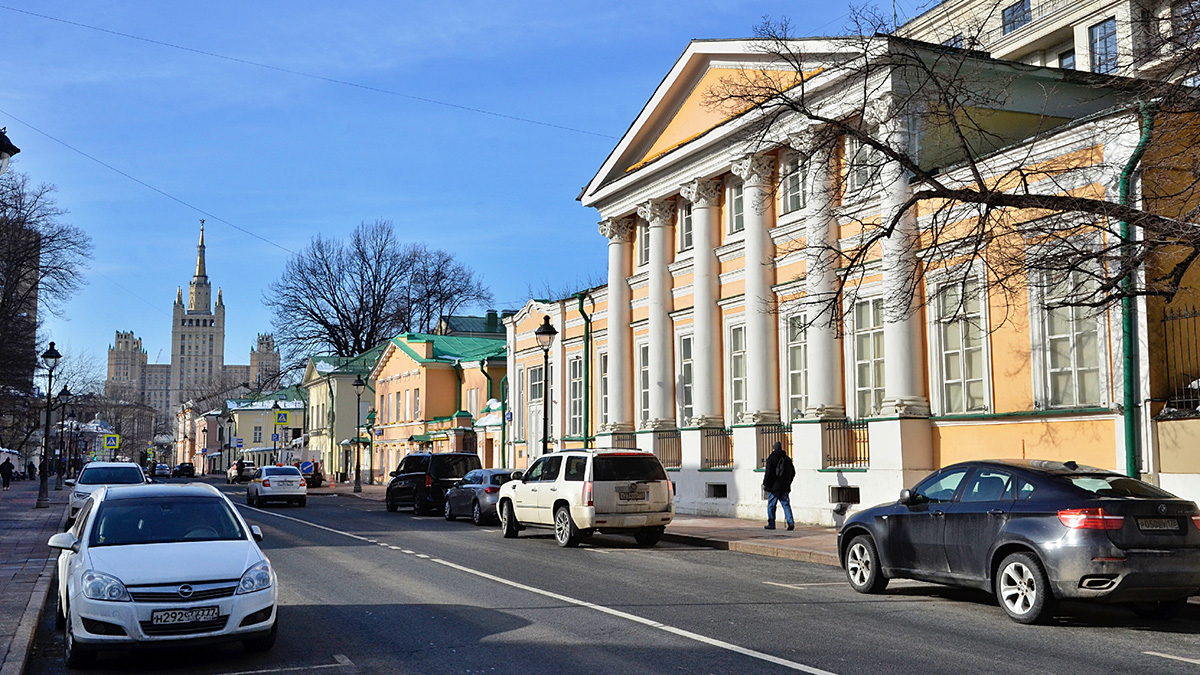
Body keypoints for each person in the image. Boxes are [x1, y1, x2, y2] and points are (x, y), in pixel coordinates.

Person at [762, 441, 795, 531]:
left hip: (773, 487)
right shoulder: (787, 459)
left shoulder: (771, 458)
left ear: (773, 449)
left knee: (771, 505)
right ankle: (790, 522)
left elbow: (768, 473)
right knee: (786, 504)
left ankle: (771, 523)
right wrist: (788, 482)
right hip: (784, 487)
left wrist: (765, 484)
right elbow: (793, 472)